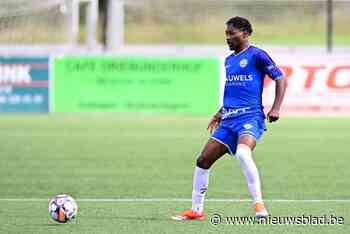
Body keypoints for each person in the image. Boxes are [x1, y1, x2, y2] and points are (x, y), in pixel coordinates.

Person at [172, 16, 287, 221]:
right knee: (203, 160)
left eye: (231, 34)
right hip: (229, 120)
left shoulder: (257, 55)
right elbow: (233, 92)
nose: (227, 38)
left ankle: (260, 207)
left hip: (250, 117)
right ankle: (196, 211)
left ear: (245, 33)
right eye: (226, 34)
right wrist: (219, 113)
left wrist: (276, 108)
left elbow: (280, 77)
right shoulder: (229, 60)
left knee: (243, 154)